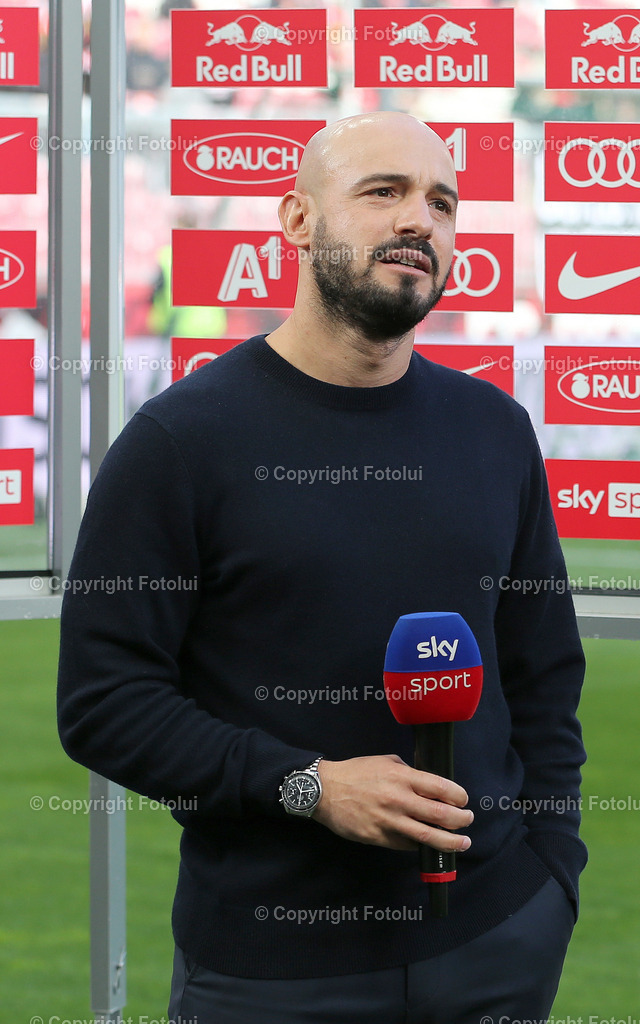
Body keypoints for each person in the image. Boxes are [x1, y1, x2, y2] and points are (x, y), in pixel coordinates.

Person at [57, 112, 587, 1024]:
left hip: (495, 942)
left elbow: (543, 677)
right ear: (298, 221)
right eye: (382, 192)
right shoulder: (180, 443)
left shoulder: (494, 431)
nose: (419, 220)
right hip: (271, 970)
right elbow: (105, 702)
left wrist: (551, 876)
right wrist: (308, 784)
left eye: (441, 201)